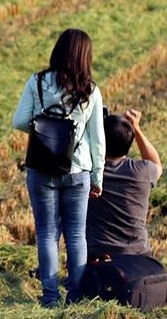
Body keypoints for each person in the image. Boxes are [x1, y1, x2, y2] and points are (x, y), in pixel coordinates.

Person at [13, 28, 106, 308]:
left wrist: (45, 130)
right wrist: (97, 177)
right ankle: (75, 296)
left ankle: (50, 297)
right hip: (78, 173)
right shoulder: (90, 90)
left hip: (42, 169)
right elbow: (97, 140)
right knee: (77, 235)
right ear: (85, 57)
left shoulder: (37, 82)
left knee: (45, 234)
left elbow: (19, 121)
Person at [86, 109, 162, 259]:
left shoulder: (87, 172)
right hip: (139, 255)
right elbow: (156, 164)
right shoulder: (142, 171)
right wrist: (137, 129)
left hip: (99, 257)